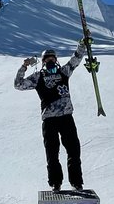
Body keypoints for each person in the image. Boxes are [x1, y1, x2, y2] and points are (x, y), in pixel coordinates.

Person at [15, 43, 87, 191]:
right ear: (42, 63)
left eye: (52, 59)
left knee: (74, 149)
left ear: (56, 60)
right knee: (52, 152)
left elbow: (76, 59)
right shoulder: (38, 77)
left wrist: (83, 44)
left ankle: (76, 182)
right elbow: (18, 84)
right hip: (49, 120)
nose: (50, 62)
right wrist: (24, 67)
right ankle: (56, 182)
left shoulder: (64, 72)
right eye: (47, 60)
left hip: (66, 116)